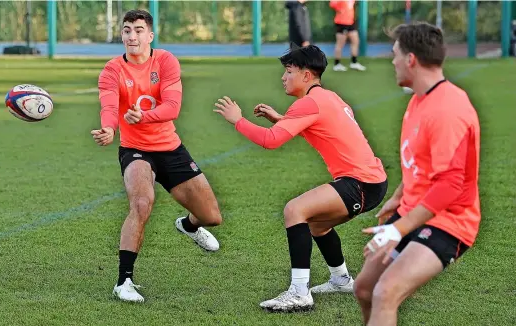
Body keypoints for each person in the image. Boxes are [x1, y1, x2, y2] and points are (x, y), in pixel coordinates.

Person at [213, 44, 388, 312]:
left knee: (295, 210)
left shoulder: (308, 103)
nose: (283, 77)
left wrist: (237, 120)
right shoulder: (328, 98)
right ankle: (341, 280)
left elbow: (271, 141)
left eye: (289, 71)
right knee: (316, 225)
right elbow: (320, 129)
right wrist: (281, 118)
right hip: (372, 182)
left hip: (360, 183)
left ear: (306, 76)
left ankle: (299, 293)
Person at [92, 9, 223, 303]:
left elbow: (173, 107)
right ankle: (124, 281)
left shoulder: (165, 61)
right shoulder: (112, 70)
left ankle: (188, 225)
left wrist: (145, 116)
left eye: (138, 30)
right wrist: (108, 129)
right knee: (141, 203)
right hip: (135, 150)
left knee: (212, 217)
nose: (132, 36)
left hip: (170, 148)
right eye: (127, 30)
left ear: (150, 36)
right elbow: (109, 107)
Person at [354, 22, 481, 326]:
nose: (391, 61)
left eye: (395, 53)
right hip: (413, 211)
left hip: (449, 221)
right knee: (365, 288)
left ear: (411, 59)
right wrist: (398, 199)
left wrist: (398, 229)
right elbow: (420, 163)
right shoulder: (419, 99)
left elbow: (450, 184)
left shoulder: (448, 109)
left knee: (386, 292)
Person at [329, 0, 366, 72]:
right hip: (342, 23)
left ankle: (354, 62)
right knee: (340, 44)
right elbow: (332, 4)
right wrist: (340, 8)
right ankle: (337, 64)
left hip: (351, 22)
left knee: (355, 41)